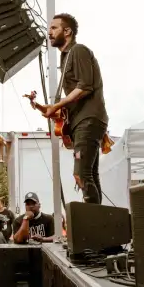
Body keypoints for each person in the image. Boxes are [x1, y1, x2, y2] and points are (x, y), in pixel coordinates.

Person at [44, 13, 109, 204]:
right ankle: (97, 222)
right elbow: (74, 97)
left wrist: (57, 105)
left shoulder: (78, 51)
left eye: (54, 28)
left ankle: (93, 223)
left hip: (88, 119)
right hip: (83, 120)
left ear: (68, 31)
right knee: (89, 174)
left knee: (81, 174)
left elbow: (85, 86)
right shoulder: (65, 59)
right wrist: (53, 109)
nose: (49, 32)